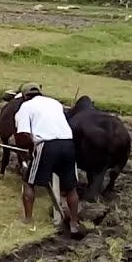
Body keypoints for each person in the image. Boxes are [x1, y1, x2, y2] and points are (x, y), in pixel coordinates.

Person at [13, 82, 86, 239]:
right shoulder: (55, 103)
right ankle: (74, 223)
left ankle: (27, 220)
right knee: (71, 187)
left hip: (47, 145)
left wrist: (32, 148)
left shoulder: (25, 107)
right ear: (39, 92)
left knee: (28, 181)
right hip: (68, 144)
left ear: (25, 96)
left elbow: (24, 132)